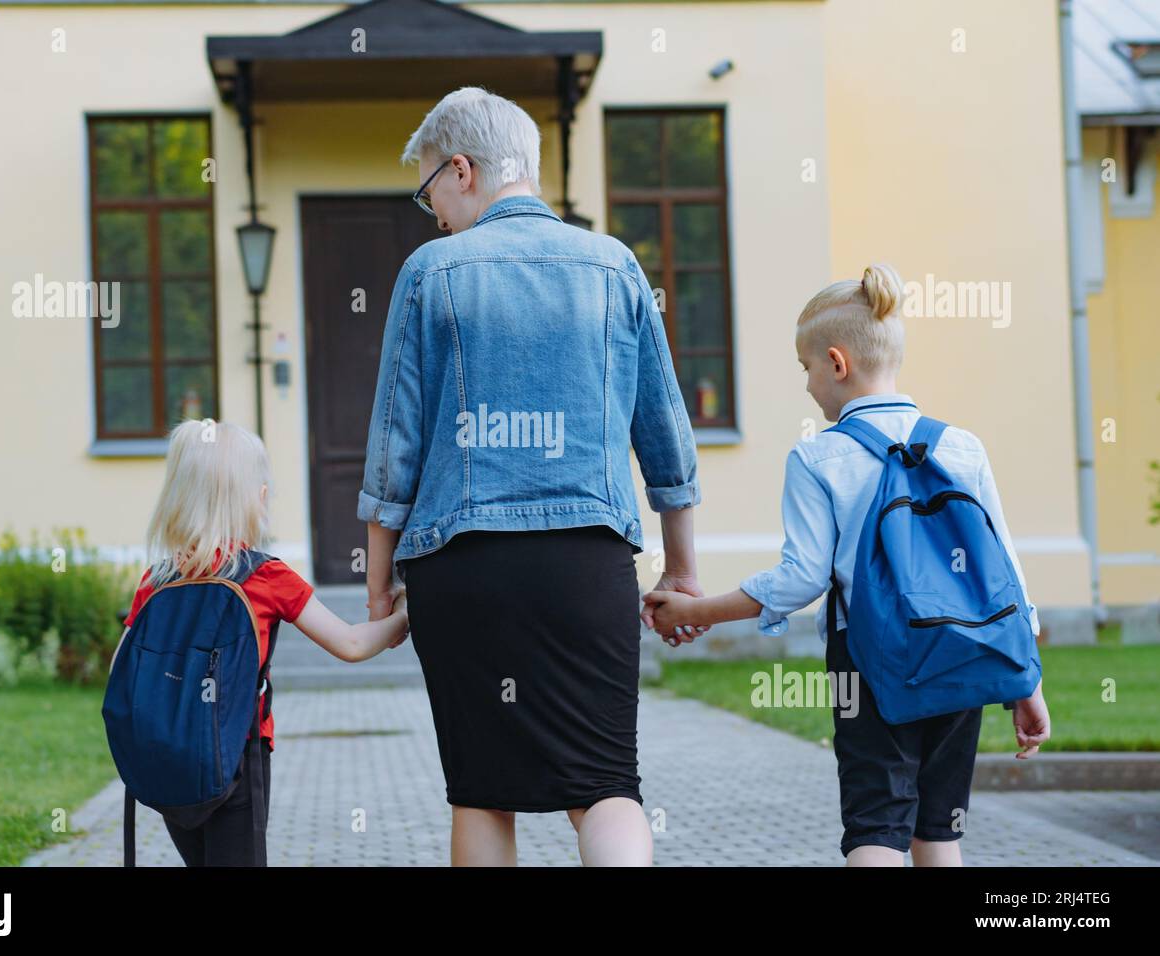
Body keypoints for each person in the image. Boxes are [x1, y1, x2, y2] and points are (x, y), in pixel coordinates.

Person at [358, 86, 705, 866]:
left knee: (482, 788)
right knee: (607, 783)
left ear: (460, 170)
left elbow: (394, 447)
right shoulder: (615, 266)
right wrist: (680, 571)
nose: (434, 214)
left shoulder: (430, 272)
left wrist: (379, 584)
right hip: (585, 563)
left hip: (460, 567)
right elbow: (666, 436)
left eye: (429, 194)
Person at [642, 263, 1052, 867]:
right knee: (940, 829)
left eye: (805, 369)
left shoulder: (819, 457)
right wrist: (1028, 681)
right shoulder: (962, 446)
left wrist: (700, 610)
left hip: (870, 664)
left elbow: (802, 578)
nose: (806, 385)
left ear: (836, 363)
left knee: (876, 826)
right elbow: (1004, 574)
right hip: (963, 655)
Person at [117, 418, 409, 865]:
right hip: (237, 756)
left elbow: (124, 667)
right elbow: (351, 644)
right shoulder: (264, 575)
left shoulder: (155, 580)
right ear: (259, 499)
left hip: (166, 762)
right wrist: (405, 616)